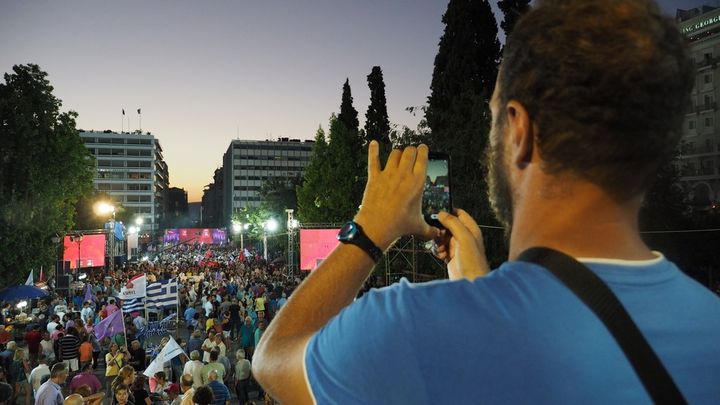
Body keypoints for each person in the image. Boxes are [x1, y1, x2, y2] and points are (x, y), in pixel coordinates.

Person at [252, 1, 720, 403]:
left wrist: (370, 229)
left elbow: (273, 359)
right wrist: (477, 286)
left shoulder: (411, 329)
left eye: (493, 118)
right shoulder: (710, 328)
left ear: (519, 130)